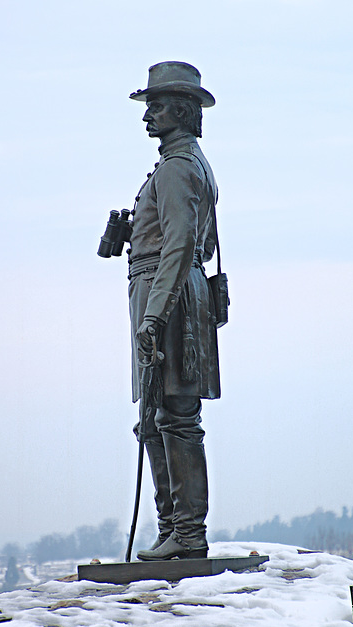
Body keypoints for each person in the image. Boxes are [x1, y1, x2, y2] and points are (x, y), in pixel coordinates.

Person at [127, 61, 221, 561]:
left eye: (156, 107)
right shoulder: (181, 164)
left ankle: (185, 533)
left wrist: (152, 315)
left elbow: (181, 243)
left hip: (168, 296)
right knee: (156, 414)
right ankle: (173, 530)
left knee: (175, 416)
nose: (148, 116)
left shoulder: (179, 167)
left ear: (182, 111)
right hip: (166, 291)